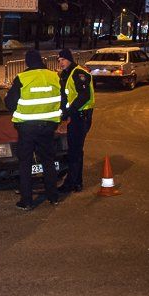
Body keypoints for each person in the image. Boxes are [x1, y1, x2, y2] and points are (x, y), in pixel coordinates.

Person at [4, 49, 63, 211]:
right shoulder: (54, 77)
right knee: (48, 162)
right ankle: (53, 196)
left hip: (27, 129)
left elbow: (9, 103)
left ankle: (27, 201)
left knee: (25, 164)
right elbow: (63, 100)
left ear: (28, 62)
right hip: (48, 127)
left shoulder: (23, 78)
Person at [56, 49, 95, 193]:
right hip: (75, 116)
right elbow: (65, 97)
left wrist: (69, 112)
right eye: (59, 60)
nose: (60, 63)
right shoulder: (66, 75)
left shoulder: (79, 73)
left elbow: (84, 96)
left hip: (81, 116)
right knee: (75, 150)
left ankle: (72, 183)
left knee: (75, 151)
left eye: (63, 60)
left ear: (70, 59)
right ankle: (76, 181)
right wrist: (63, 117)